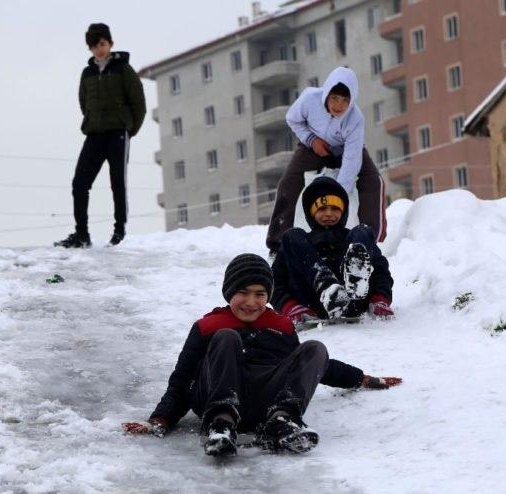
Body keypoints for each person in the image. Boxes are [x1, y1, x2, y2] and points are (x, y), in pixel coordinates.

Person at [122, 254, 401, 457]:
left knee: (316, 347)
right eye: (243, 293)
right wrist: (160, 420)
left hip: (261, 399)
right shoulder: (208, 326)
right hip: (215, 396)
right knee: (227, 337)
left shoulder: (279, 325)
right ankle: (221, 424)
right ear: (229, 293)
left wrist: (362, 378)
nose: (251, 302)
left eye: (259, 294)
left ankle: (281, 420)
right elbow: (181, 379)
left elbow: (314, 366)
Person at [265, 66, 387, 255]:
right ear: (326, 94)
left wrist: (337, 193)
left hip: (346, 149)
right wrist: (312, 141)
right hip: (313, 145)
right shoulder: (309, 99)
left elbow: (352, 161)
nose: (339, 105)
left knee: (373, 181)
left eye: (345, 100)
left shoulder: (355, 119)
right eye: (335, 98)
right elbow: (292, 119)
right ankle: (278, 243)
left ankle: (368, 243)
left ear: (352, 100)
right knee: (289, 181)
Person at [55, 23, 146, 248]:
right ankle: (82, 234)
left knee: (118, 184)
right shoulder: (87, 73)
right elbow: (84, 103)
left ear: (110, 44)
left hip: (118, 134)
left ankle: (119, 232)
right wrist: (93, 122)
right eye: (94, 46)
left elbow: (139, 104)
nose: (99, 49)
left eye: (102, 44)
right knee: (79, 183)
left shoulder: (123, 70)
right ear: (90, 48)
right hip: (94, 134)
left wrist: (128, 130)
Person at [272, 177, 394, 324]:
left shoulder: (354, 238)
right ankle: (326, 286)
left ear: (343, 211)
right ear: (311, 213)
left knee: (363, 231)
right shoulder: (299, 243)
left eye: (335, 208)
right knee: (291, 235)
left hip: (356, 299)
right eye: (322, 209)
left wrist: (380, 299)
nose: (329, 214)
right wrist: (290, 307)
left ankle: (355, 276)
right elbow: (275, 281)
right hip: (313, 303)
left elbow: (381, 271)